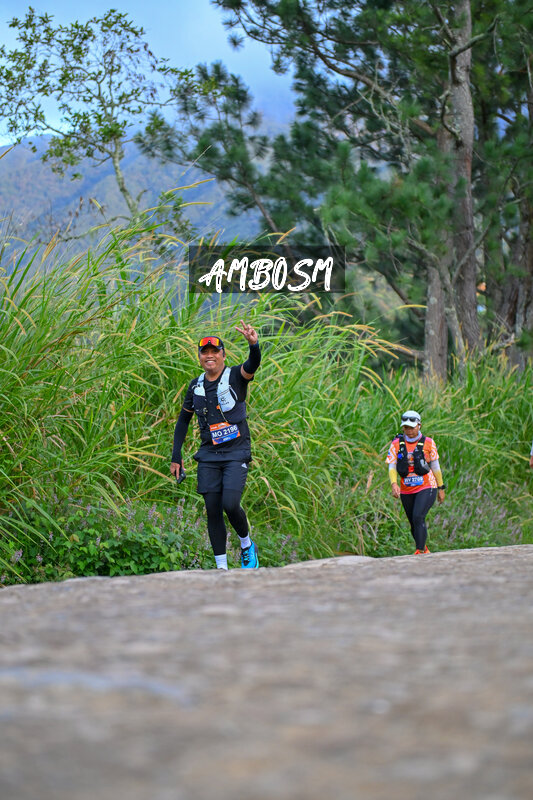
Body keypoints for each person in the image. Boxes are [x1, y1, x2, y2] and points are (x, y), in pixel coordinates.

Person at [170, 321, 261, 570]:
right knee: (212, 509)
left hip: (236, 451)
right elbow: (183, 420)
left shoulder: (235, 376)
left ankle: (246, 545)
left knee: (230, 504)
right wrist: (176, 455)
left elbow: (252, 365)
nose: (209, 356)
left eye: (215, 351)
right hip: (209, 453)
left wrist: (254, 345)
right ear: (200, 357)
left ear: (223, 355)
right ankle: (221, 568)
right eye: (205, 352)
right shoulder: (196, 385)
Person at [386, 410, 445, 555]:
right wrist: (394, 484)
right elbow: (392, 467)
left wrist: (441, 488)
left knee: (418, 516)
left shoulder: (429, 443)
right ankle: (424, 549)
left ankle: (419, 550)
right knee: (413, 521)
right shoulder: (396, 444)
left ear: (419, 426)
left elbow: (436, 467)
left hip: (427, 486)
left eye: (412, 427)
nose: (409, 431)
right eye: (406, 428)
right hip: (406, 489)